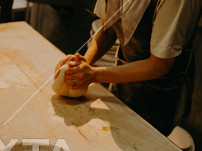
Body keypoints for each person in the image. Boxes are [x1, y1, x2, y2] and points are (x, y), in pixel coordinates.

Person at [55, 0, 202, 136]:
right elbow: (108, 29)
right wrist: (83, 62)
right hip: (122, 83)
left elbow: (160, 65)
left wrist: (93, 75)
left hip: (159, 97)